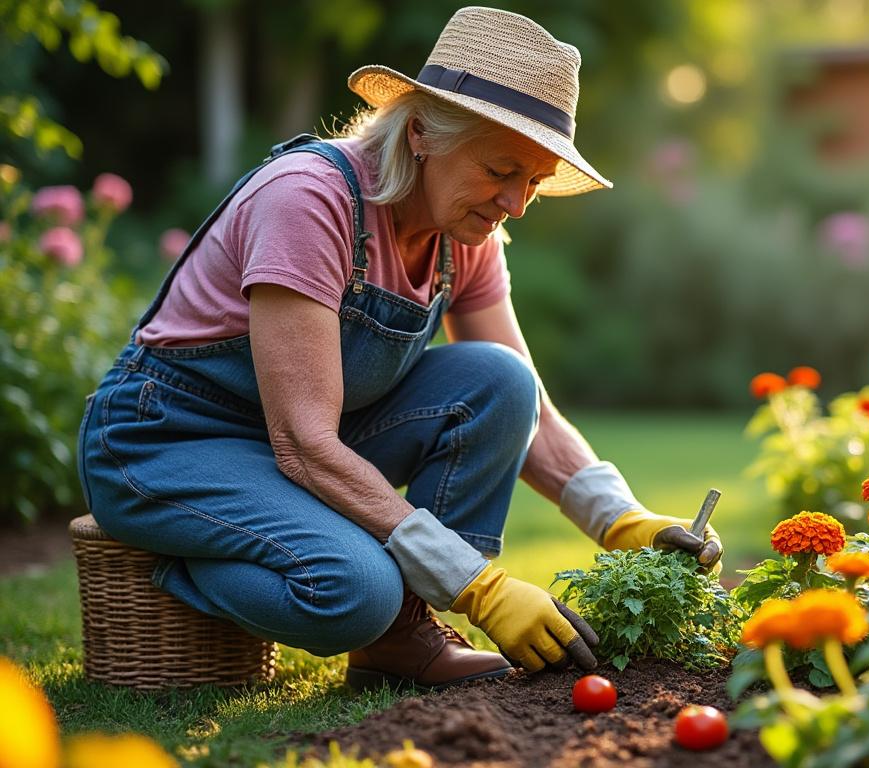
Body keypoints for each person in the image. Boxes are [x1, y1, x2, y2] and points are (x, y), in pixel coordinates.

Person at [75, 6, 722, 692]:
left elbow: (528, 406)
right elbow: (303, 442)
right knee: (357, 592)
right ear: (420, 133)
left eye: (533, 181)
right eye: (501, 169)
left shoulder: (464, 233)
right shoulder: (309, 200)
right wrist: (478, 587)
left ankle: (403, 639)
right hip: (168, 440)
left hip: (297, 446)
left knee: (500, 381)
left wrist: (620, 518)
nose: (516, 203)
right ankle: (180, 560)